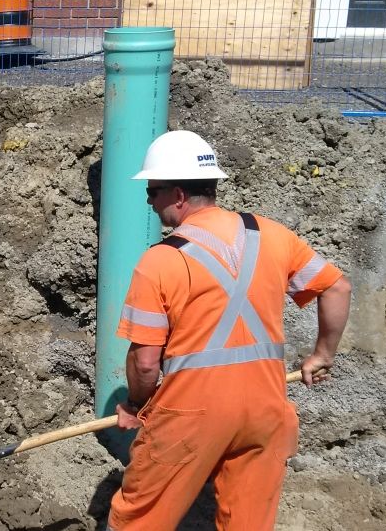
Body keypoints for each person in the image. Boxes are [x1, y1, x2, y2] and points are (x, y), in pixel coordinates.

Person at [107, 130, 352, 530]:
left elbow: (146, 362)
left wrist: (136, 405)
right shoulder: (272, 234)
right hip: (265, 409)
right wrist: (323, 355)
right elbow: (337, 286)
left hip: (191, 415)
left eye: (152, 192)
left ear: (179, 195)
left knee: (139, 520)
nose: (149, 202)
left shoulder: (160, 261)